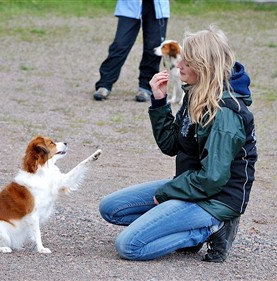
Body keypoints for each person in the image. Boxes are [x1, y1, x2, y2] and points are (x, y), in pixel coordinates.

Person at [99, 26, 257, 262]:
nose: (178, 64)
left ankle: (211, 229)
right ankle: (180, 224)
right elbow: (171, 145)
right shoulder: (196, 92)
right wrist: (159, 101)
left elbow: (212, 179)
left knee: (129, 246)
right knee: (111, 208)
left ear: (205, 67)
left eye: (188, 61)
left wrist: (166, 193)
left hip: (216, 199)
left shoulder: (225, 114)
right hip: (192, 187)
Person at [93, 0, 170, 102]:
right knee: (120, 45)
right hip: (129, 5)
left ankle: (146, 87)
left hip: (158, 6)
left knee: (153, 47)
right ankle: (104, 84)